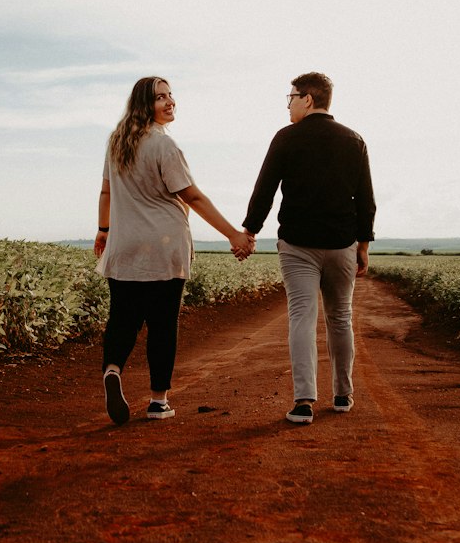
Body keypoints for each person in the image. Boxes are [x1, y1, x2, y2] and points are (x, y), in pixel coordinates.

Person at [94, 77, 254, 424]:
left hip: (124, 246)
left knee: (122, 320)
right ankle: (158, 401)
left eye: (170, 95)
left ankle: (112, 369)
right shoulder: (164, 146)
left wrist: (103, 231)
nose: (170, 102)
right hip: (164, 247)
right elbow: (192, 197)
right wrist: (233, 235)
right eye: (160, 98)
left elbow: (106, 193)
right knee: (162, 325)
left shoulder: (116, 144)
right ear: (143, 105)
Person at [243, 72, 375, 425]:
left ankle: (303, 401)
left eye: (291, 97)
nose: (288, 105)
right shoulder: (354, 140)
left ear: (308, 99)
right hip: (342, 244)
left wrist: (249, 231)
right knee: (340, 317)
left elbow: (265, 191)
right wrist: (363, 245)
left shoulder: (286, 138)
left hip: (298, 245)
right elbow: (366, 200)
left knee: (302, 316)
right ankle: (343, 394)